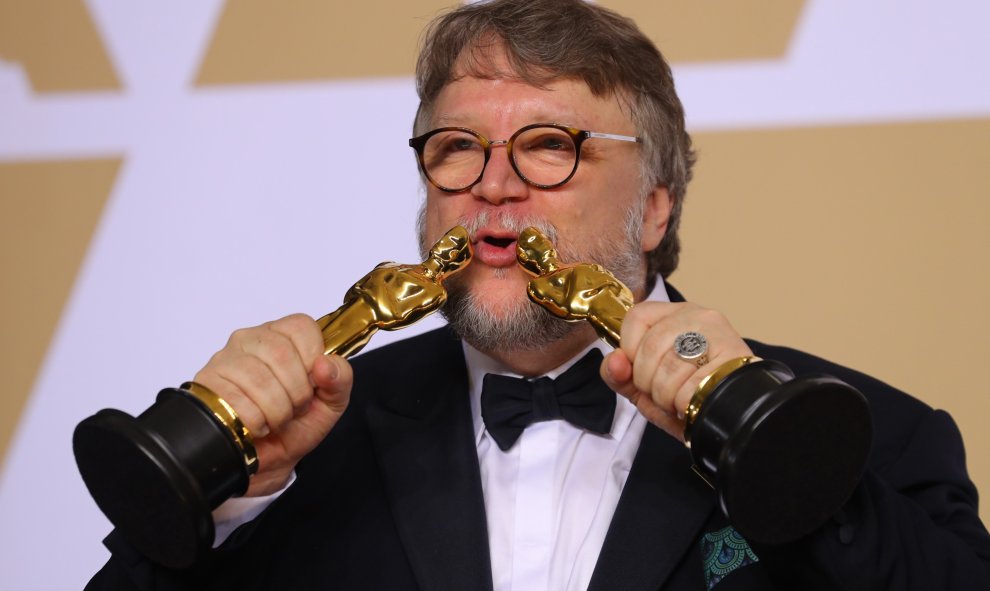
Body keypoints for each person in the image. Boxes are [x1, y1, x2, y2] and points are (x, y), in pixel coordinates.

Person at [86, 0, 990, 589]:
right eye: (456, 148)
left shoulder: (868, 433)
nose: (493, 185)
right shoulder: (303, 451)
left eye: (550, 145)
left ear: (653, 207)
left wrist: (790, 459)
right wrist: (221, 492)